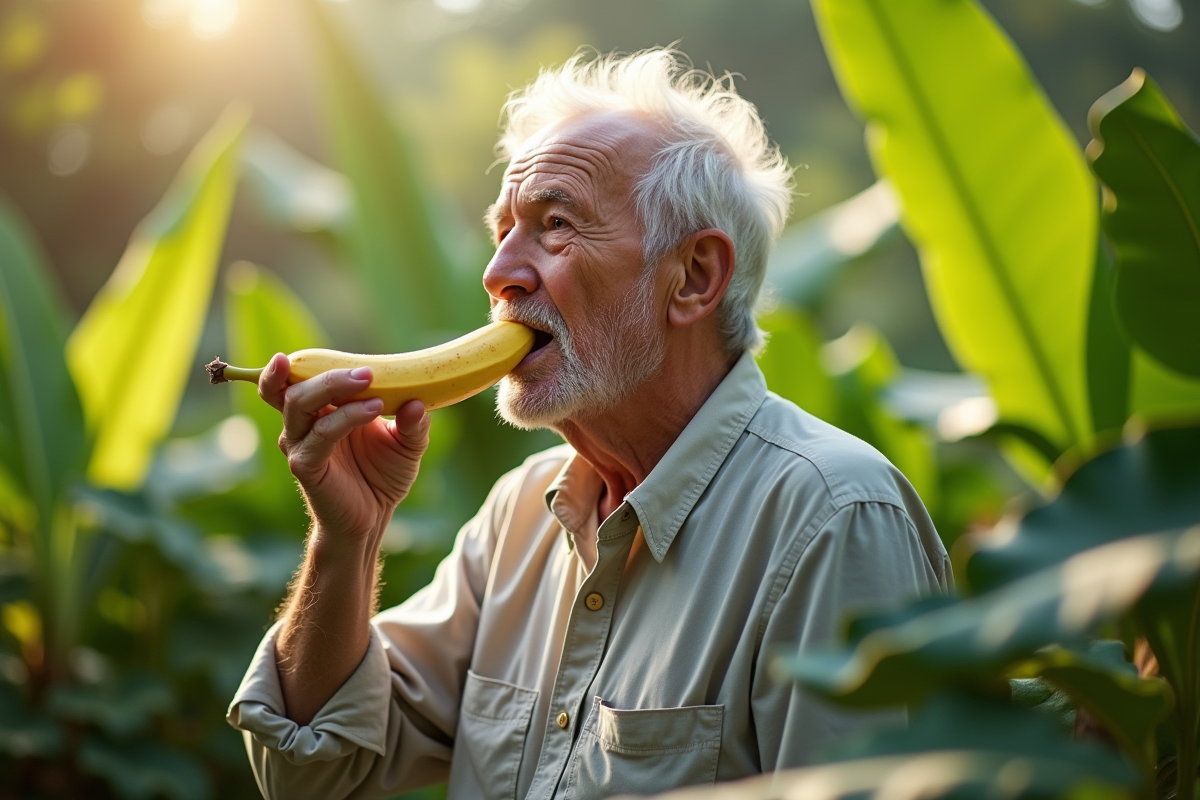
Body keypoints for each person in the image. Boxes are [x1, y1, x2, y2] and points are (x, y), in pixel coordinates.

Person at [227, 47, 950, 800]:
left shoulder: (834, 517)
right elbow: (311, 776)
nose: (498, 271)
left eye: (556, 224)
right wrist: (348, 539)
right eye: (503, 228)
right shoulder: (518, 514)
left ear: (695, 277)